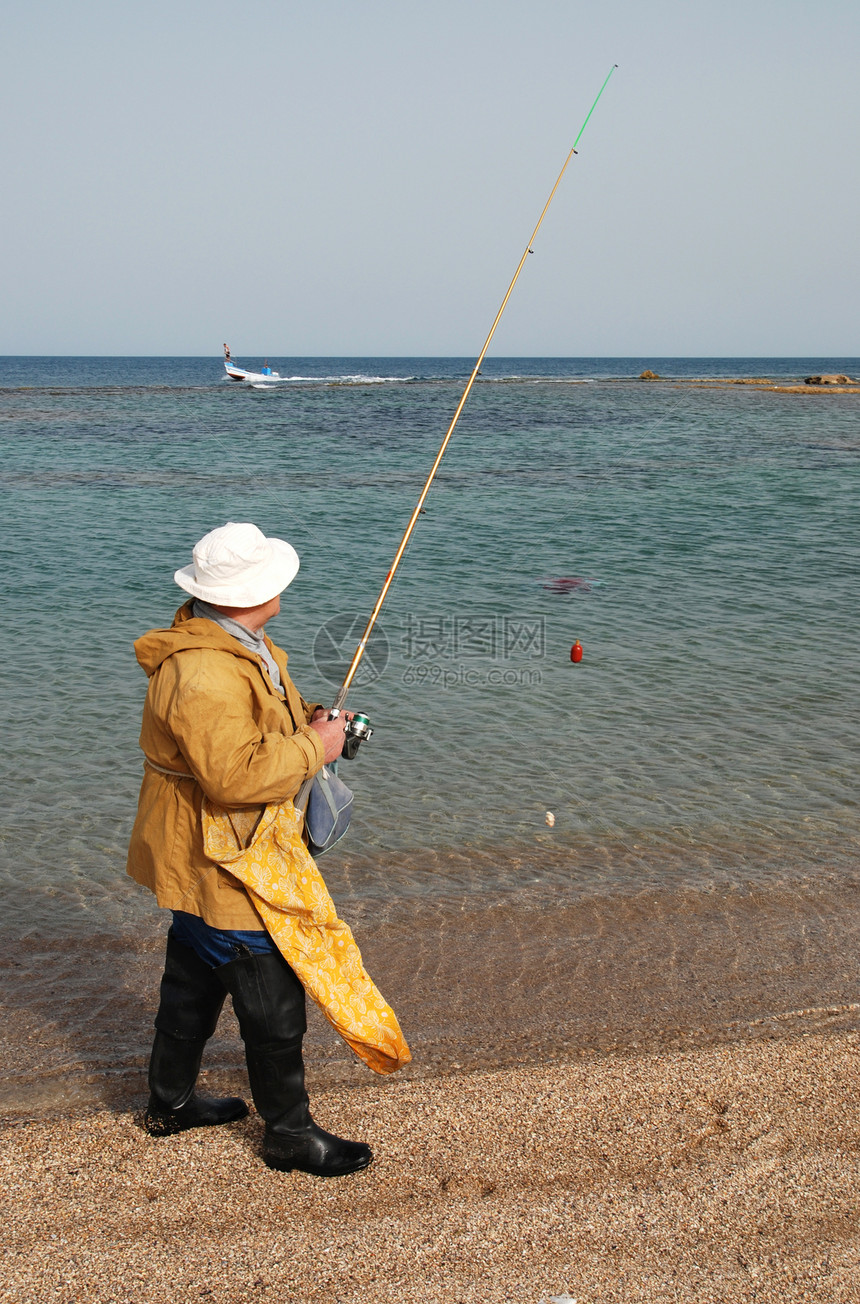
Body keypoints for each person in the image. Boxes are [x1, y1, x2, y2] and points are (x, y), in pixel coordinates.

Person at [127, 521, 374, 1177]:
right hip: (223, 856)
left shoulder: (238, 642)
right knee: (271, 994)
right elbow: (233, 777)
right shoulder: (204, 671)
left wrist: (319, 724)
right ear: (252, 590)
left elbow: (258, 723)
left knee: (193, 975)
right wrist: (310, 751)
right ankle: (289, 1136)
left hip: (204, 853)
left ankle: (169, 1101)